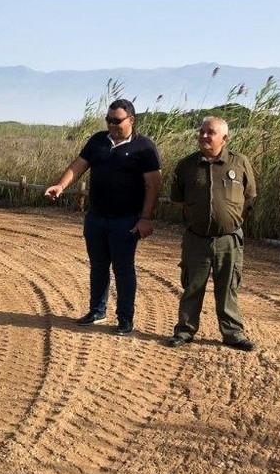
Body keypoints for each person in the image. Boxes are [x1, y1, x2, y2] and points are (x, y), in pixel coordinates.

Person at [45, 99, 162, 336]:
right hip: (96, 217)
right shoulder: (98, 140)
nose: (111, 125)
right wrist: (61, 185)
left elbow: (154, 185)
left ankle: (125, 318)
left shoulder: (144, 147)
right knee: (98, 266)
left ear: (131, 120)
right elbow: (78, 166)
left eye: (116, 121)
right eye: (108, 120)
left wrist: (146, 218)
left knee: (123, 269)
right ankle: (97, 311)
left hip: (126, 221)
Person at [167, 116, 257, 350]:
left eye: (210, 132)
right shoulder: (186, 165)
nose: (204, 136)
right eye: (202, 131)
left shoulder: (239, 163)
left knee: (228, 287)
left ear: (224, 138)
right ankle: (185, 331)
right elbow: (177, 200)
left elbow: (249, 198)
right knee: (192, 287)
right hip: (196, 238)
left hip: (229, 240)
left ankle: (233, 334)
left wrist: (229, 221)